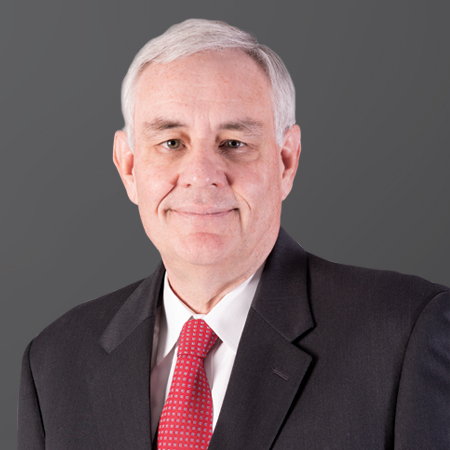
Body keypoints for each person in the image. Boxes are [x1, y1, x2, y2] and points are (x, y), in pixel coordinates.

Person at [18, 19, 450, 450]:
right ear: (129, 167)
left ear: (286, 161)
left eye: (233, 143)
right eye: (172, 143)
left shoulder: (405, 334)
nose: (202, 175)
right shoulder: (54, 363)